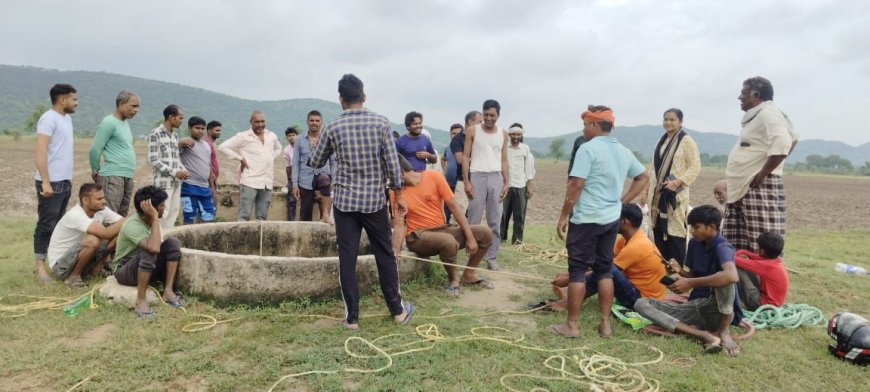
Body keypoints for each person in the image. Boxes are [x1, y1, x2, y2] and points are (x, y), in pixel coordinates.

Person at [308, 74, 414, 330]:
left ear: (341, 99)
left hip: (345, 204)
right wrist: (399, 196)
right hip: (374, 202)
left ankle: (352, 319)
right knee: (385, 254)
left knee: (347, 258)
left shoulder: (332, 127)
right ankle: (397, 311)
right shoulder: (381, 123)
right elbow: (392, 164)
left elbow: (316, 161)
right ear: (364, 96)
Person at [552, 105, 649, 339]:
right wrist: (622, 201)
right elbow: (643, 176)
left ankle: (572, 325)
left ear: (595, 125)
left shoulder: (587, 149)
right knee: (604, 270)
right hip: (610, 220)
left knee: (577, 270)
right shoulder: (623, 151)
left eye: (585, 125)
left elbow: (576, 184)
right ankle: (605, 325)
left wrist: (564, 215)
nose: (583, 130)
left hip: (586, 219)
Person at [634, 205, 743, 356]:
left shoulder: (723, 247)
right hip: (695, 306)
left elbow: (732, 276)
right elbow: (692, 276)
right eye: (691, 227)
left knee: (724, 279)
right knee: (641, 304)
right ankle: (702, 334)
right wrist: (680, 272)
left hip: (719, 311)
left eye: (696, 227)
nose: (691, 231)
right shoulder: (694, 243)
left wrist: (690, 283)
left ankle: (724, 331)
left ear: (712, 227)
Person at [393, 155, 494, 296]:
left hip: (443, 228)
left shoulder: (434, 177)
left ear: (400, 173)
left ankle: (469, 275)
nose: (389, 181)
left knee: (485, 232)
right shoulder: (396, 193)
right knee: (447, 241)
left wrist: (470, 237)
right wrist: (396, 249)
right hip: (417, 236)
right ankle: (453, 280)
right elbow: (399, 224)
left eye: (390, 176)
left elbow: (454, 207)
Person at [723, 76, 798, 252]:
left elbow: (784, 142)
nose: (739, 97)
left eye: (743, 93)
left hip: (758, 188)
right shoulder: (759, 115)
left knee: (762, 245)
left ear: (756, 95)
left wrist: (764, 172)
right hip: (743, 189)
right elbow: (792, 139)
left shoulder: (768, 113)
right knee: (738, 247)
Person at [547, 204, 665, 311]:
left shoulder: (636, 246)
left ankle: (570, 302)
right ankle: (571, 293)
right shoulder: (626, 240)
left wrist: (569, 280)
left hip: (644, 302)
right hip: (636, 290)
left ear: (624, 222)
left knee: (607, 270)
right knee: (604, 265)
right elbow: (602, 261)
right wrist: (570, 274)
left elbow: (605, 269)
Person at [113, 186, 186, 319]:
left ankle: (168, 291)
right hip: (124, 270)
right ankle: (140, 301)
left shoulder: (150, 221)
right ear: (150, 209)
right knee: (150, 250)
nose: (164, 208)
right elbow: (154, 248)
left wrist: (154, 220)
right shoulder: (132, 224)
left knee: (173, 243)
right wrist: (155, 218)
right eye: (161, 205)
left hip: (143, 265)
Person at [639, 108, 701, 267]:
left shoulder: (687, 141)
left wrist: (677, 182)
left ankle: (677, 267)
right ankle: (662, 267)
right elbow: (653, 167)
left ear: (681, 122)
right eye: (666, 119)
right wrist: (645, 190)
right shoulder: (660, 141)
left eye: (672, 120)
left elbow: (694, 167)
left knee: (675, 229)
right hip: (657, 194)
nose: (668, 122)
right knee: (658, 228)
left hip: (675, 194)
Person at [33, 84, 78, 284]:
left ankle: (55, 264)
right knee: (46, 224)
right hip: (51, 182)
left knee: (59, 225)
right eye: (73, 99)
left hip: (64, 181)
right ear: (62, 99)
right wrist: (45, 181)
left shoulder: (67, 119)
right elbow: (40, 151)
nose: (76, 102)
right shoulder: (48, 119)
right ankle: (40, 268)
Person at [48, 184, 125, 287]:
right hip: (61, 266)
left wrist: (127, 222)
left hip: (79, 258)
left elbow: (122, 224)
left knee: (120, 233)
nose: (104, 201)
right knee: (92, 240)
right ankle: (73, 278)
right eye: (99, 199)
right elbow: (105, 234)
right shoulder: (75, 214)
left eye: (103, 198)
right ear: (85, 200)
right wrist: (133, 218)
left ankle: (98, 267)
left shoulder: (102, 210)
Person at [463, 100, 509, 271]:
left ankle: (491, 257)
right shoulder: (472, 130)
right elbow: (466, 157)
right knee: (473, 218)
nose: (489, 118)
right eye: (486, 114)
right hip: (477, 175)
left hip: (496, 177)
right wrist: (466, 181)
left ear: (498, 115)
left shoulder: (503, 133)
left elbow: (504, 159)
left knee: (495, 219)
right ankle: (472, 253)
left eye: (492, 115)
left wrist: (507, 182)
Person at [218, 111, 283, 221]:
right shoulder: (243, 136)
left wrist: (270, 158)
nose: (260, 124)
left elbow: (279, 148)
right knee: (244, 216)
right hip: (249, 181)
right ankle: (242, 233)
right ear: (251, 122)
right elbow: (222, 147)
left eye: (262, 121)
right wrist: (240, 158)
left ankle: (260, 232)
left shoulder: (271, 135)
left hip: (267, 181)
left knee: (262, 217)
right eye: (257, 122)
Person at [89, 90, 140, 216]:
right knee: (109, 216)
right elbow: (95, 149)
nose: (136, 110)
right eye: (133, 106)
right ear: (122, 104)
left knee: (120, 217)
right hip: (113, 176)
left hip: (127, 175)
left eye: (138, 107)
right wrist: (95, 170)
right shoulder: (109, 122)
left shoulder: (125, 124)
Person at [148, 105, 189, 231]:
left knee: (174, 212)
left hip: (176, 182)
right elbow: (153, 160)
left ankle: (167, 239)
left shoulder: (175, 135)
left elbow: (176, 159)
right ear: (171, 117)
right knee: (162, 213)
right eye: (180, 118)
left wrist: (183, 170)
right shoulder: (155, 134)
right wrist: (175, 172)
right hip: (163, 182)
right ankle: (158, 239)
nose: (181, 121)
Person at [292, 110, 336, 223]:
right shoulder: (299, 139)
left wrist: (333, 181)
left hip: (323, 175)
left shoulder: (327, 138)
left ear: (321, 122)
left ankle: (325, 215)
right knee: (305, 216)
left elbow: (333, 162)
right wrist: (295, 185)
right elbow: (295, 163)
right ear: (307, 122)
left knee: (325, 179)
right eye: (312, 120)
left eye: (317, 121)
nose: (314, 123)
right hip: (305, 179)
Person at [500, 123, 535, 245]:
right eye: (513, 134)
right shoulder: (503, 147)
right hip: (505, 185)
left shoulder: (525, 148)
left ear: (521, 135)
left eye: (518, 134)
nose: (516, 137)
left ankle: (517, 240)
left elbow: (529, 169)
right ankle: (501, 237)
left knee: (519, 215)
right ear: (509, 135)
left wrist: (530, 187)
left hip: (520, 186)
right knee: (503, 214)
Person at [734, 232, 788, 310]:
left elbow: (733, 259)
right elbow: (755, 257)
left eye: (758, 247)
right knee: (744, 263)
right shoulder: (775, 262)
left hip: (763, 306)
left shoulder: (766, 266)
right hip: (771, 303)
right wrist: (743, 252)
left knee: (736, 268)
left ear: (762, 251)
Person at [178, 116, 216, 224]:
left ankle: (206, 236)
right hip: (189, 185)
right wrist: (180, 143)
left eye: (202, 128)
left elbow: (208, 165)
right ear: (190, 128)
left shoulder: (206, 145)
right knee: (190, 216)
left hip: (205, 187)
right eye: (197, 128)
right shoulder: (185, 142)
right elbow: (172, 153)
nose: (200, 131)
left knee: (209, 215)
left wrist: (212, 187)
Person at [450, 111, 482, 219]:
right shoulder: (457, 139)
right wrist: (481, 159)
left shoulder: (479, 139)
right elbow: (460, 160)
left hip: (479, 181)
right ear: (470, 122)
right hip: (463, 181)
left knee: (474, 213)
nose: (482, 125)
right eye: (479, 122)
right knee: (459, 212)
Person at [441, 124, 462, 223]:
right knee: (447, 209)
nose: (456, 136)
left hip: (461, 185)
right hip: (449, 185)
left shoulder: (465, 147)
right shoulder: (448, 148)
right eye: (454, 133)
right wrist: (445, 171)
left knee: (459, 210)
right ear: (450, 134)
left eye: (458, 133)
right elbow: (443, 159)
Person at [204, 120, 222, 207]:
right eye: (217, 130)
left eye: (220, 130)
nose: (219, 132)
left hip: (212, 179)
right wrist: (212, 186)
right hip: (209, 180)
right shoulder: (207, 143)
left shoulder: (210, 142)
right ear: (209, 131)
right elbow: (207, 163)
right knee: (210, 206)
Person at [283, 126, 299, 221]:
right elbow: (288, 166)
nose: (291, 137)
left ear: (297, 136)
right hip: (294, 176)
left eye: (293, 135)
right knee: (291, 198)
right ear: (287, 137)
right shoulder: (286, 150)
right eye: (289, 135)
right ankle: (291, 220)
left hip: (305, 175)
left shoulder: (302, 146)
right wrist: (289, 179)